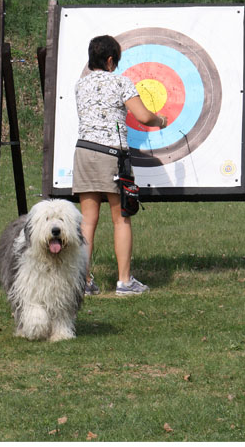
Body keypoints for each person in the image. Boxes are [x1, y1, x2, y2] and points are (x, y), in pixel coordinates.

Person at [72, 35, 168, 296]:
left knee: (87, 222)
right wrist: (161, 121)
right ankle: (124, 282)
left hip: (83, 152)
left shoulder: (80, 85)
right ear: (111, 60)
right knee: (121, 218)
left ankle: (84, 282)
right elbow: (144, 116)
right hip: (111, 155)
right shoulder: (120, 82)